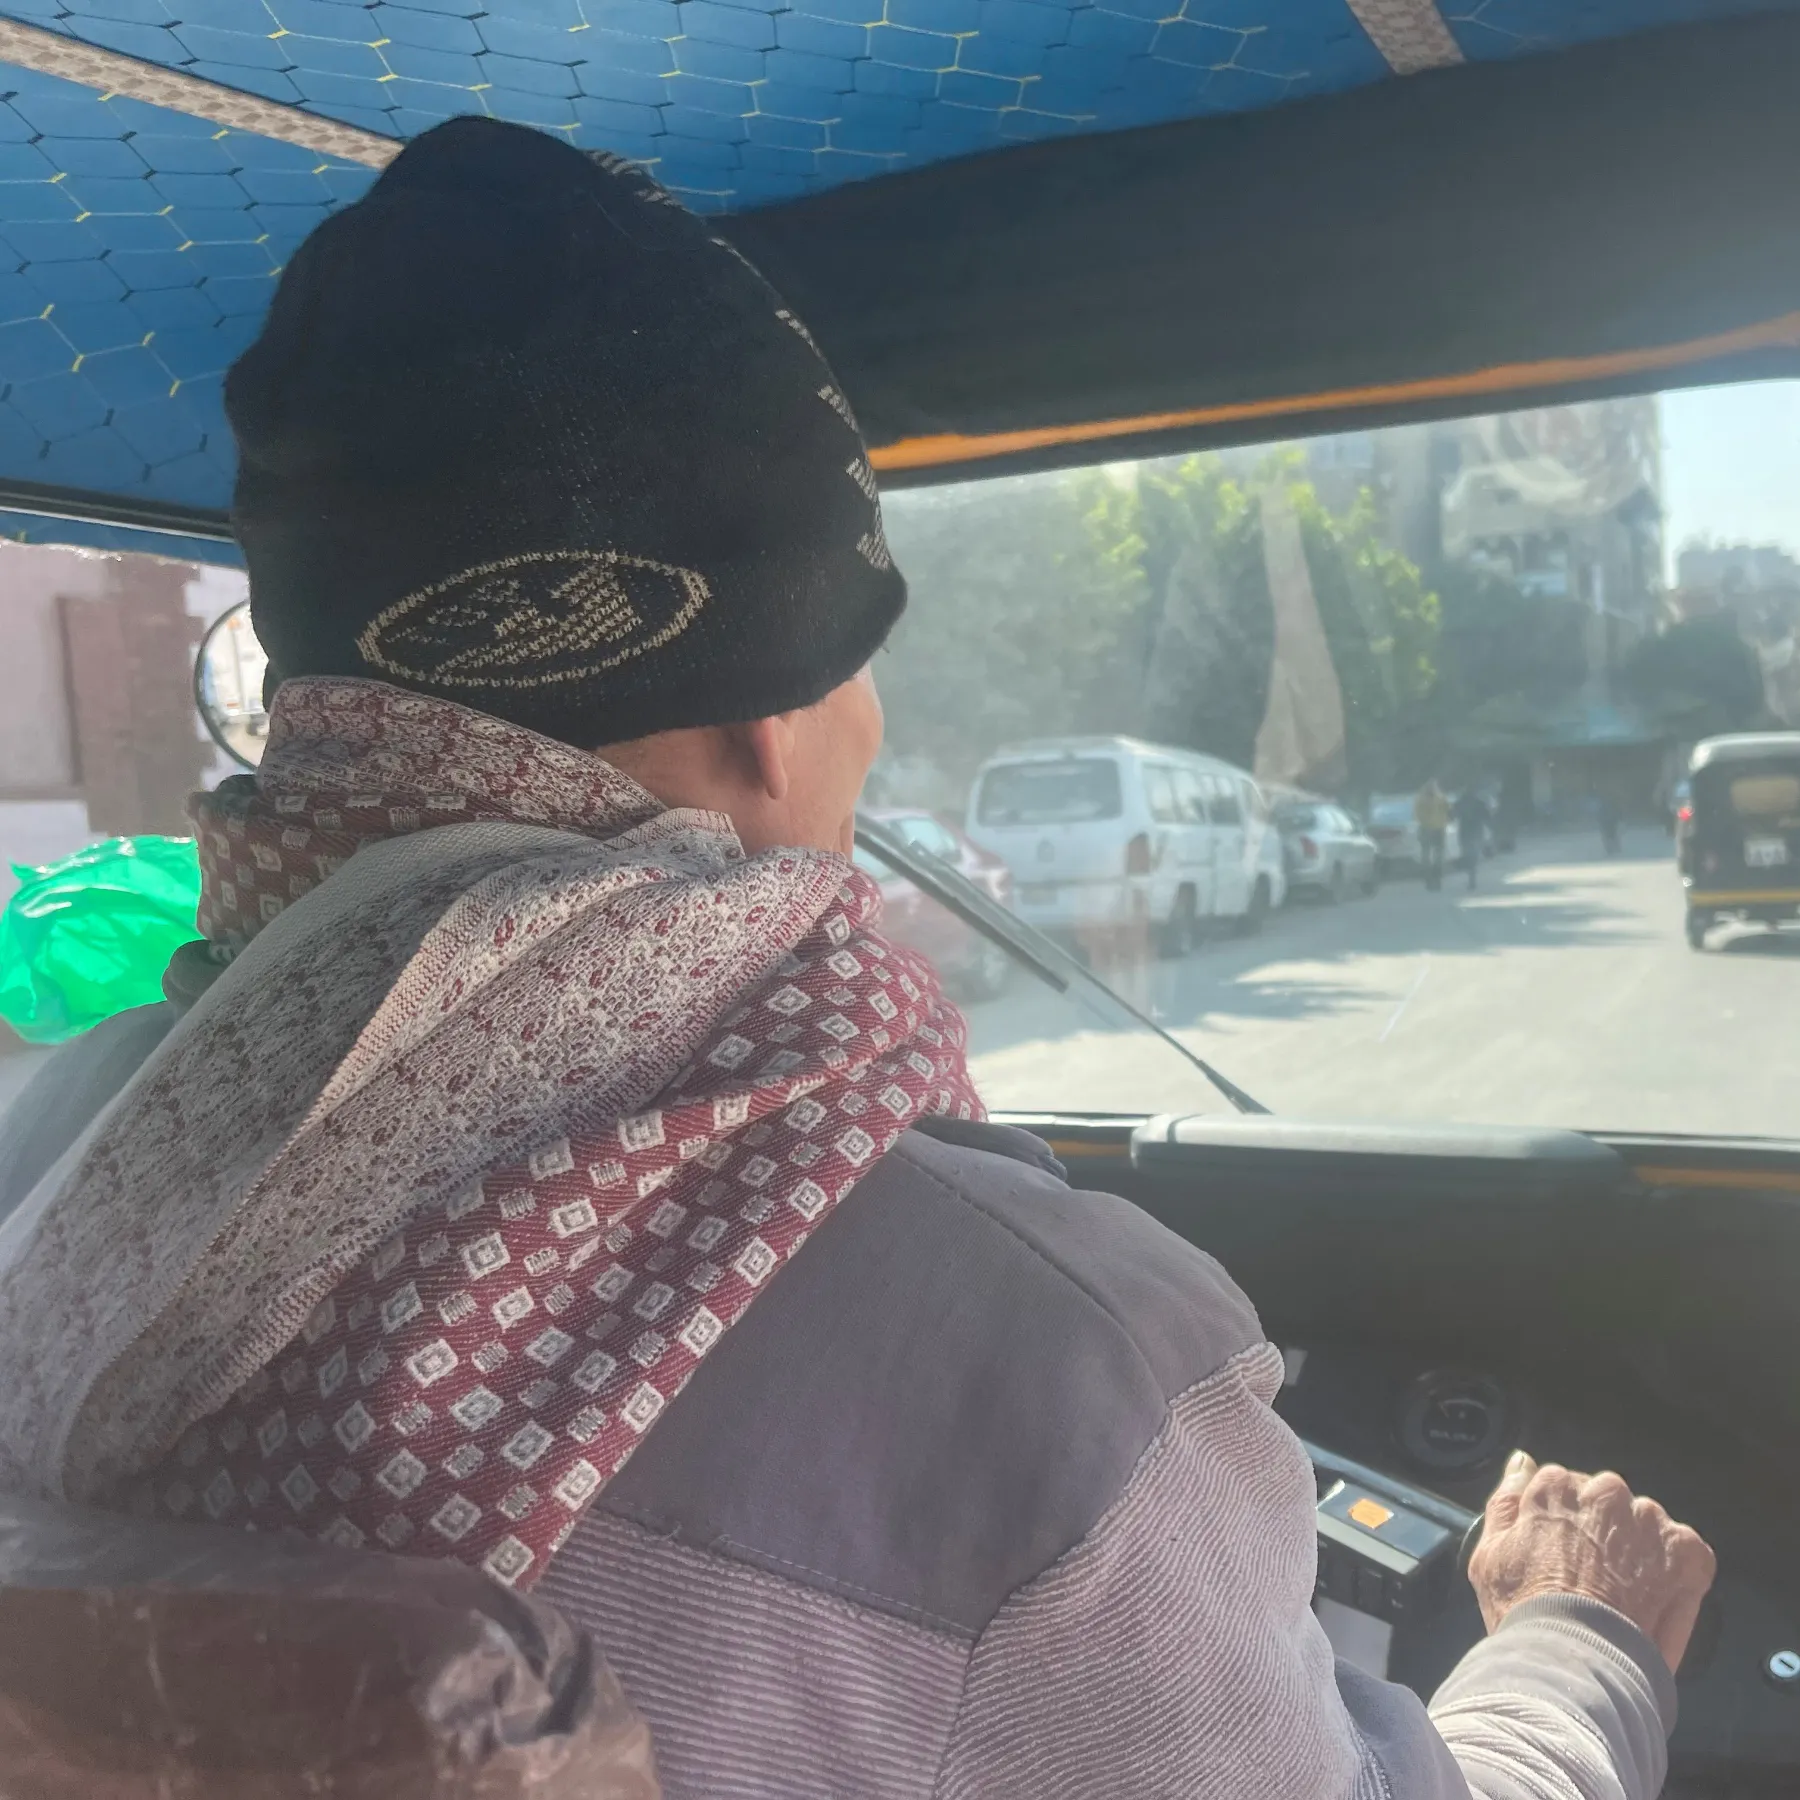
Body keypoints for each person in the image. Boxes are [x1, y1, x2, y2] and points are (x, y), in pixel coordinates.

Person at [0, 121, 1713, 1800]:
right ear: (774, 711)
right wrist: (1577, 1640)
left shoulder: (43, 1154)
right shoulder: (1056, 1373)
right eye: (860, 664)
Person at [1415, 779, 1453, 890]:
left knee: (1429, 854)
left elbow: (1417, 814)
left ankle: (1431, 876)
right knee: (1435, 854)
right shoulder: (1440, 798)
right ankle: (1434, 875)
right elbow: (1449, 811)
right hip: (1436, 828)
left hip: (1429, 828)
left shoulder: (1422, 798)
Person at [1455, 787, 1492, 890]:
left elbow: (1452, 815)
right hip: (1477, 832)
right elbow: (1487, 817)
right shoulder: (1480, 803)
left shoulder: (1460, 803)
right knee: (1474, 856)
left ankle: (1470, 872)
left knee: (1467, 854)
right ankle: (1472, 876)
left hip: (1464, 832)